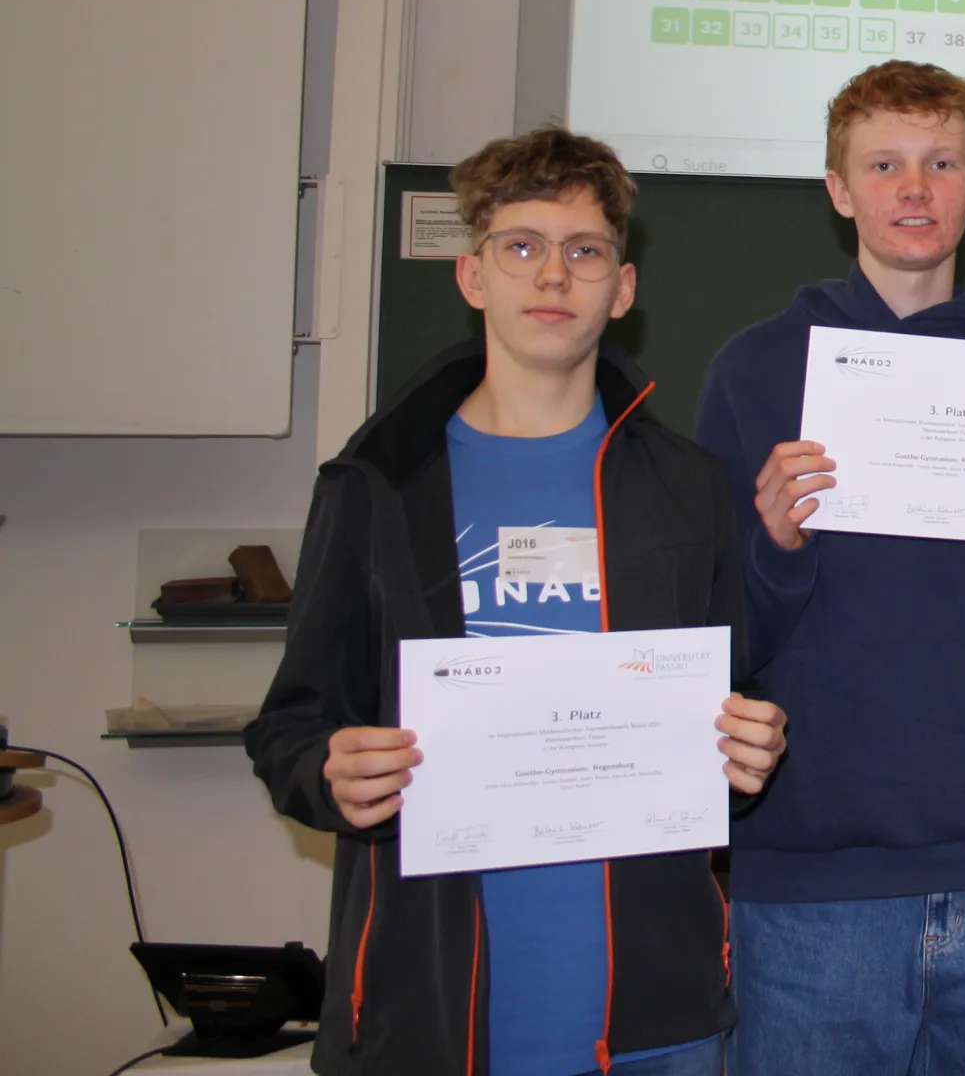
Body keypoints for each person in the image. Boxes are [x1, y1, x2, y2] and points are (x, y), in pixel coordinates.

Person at [246, 126, 789, 1076]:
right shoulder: (377, 486)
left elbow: (731, 702)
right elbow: (290, 726)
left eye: (584, 251)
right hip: (431, 1011)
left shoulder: (688, 488)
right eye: (522, 246)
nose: (552, 275)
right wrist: (328, 771)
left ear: (622, 288)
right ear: (473, 276)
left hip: (656, 1020)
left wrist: (752, 744)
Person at [695, 60, 965, 1076]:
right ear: (839, 190)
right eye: (884, 165)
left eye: (941, 163)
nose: (914, 189)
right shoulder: (754, 372)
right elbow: (710, 648)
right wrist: (776, 549)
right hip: (811, 878)